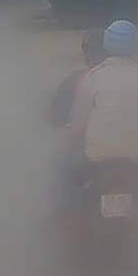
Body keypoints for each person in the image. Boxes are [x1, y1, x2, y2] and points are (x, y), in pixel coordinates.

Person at [66, 20, 138, 203]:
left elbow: (77, 125)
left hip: (98, 159)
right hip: (135, 159)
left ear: (107, 44)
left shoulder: (93, 77)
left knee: (72, 187)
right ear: (135, 45)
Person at [51, 29, 106, 211]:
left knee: (63, 176)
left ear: (85, 52)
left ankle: (68, 213)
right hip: (127, 155)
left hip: (86, 156)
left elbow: (54, 115)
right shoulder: (127, 79)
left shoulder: (77, 80)